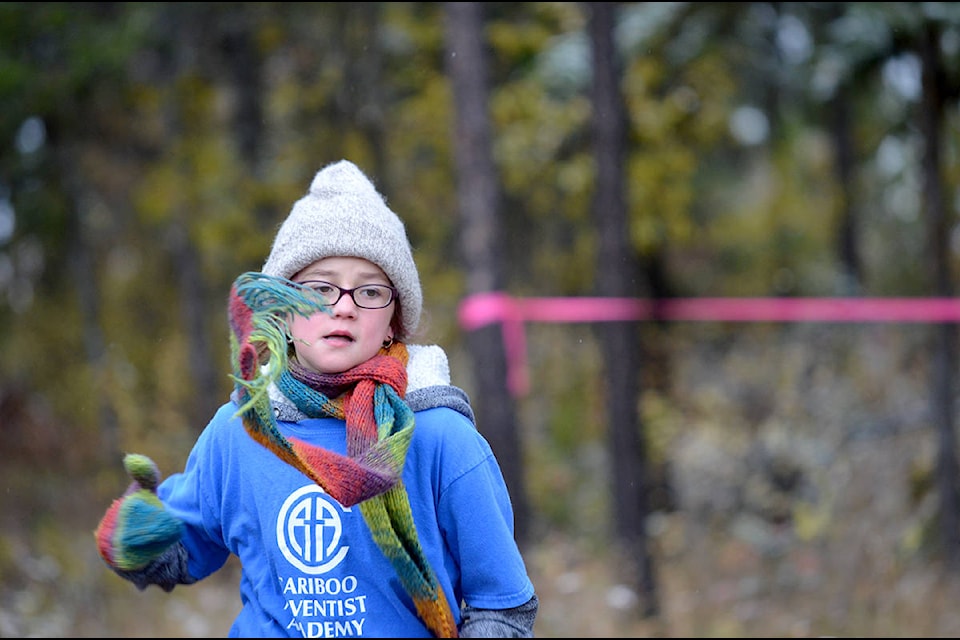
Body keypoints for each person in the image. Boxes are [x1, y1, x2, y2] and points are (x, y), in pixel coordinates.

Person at [94, 160, 539, 638]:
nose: (343, 305)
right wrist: (140, 539)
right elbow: (185, 546)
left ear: (394, 320)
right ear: (282, 312)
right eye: (319, 288)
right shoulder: (242, 429)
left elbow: (504, 607)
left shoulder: (441, 437)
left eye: (370, 291)